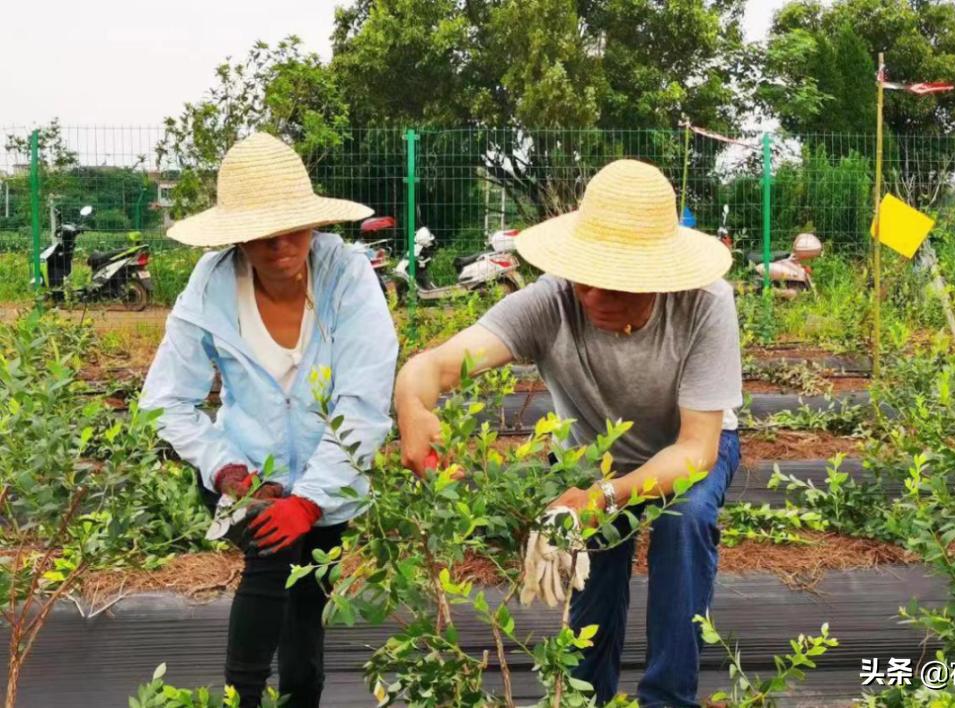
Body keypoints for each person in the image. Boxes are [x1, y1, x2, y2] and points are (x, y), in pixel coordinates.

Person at [394, 159, 743, 706]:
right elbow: (435, 365)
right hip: (589, 459)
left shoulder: (704, 302)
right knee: (594, 570)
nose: (596, 296)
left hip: (684, 449)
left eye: (619, 284)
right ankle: (586, 697)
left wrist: (606, 496)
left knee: (684, 521)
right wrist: (412, 405)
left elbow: (697, 449)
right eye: (589, 278)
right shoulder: (552, 301)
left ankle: (668, 698)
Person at [141, 132, 397, 707]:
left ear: (313, 223)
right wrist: (223, 465)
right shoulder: (211, 284)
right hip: (244, 470)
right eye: (262, 235)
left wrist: (309, 501)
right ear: (238, 237)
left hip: (330, 475)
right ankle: (243, 700)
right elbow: (166, 399)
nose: (281, 246)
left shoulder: (348, 278)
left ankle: (302, 698)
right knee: (270, 554)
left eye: (293, 230)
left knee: (308, 601)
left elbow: (362, 401)